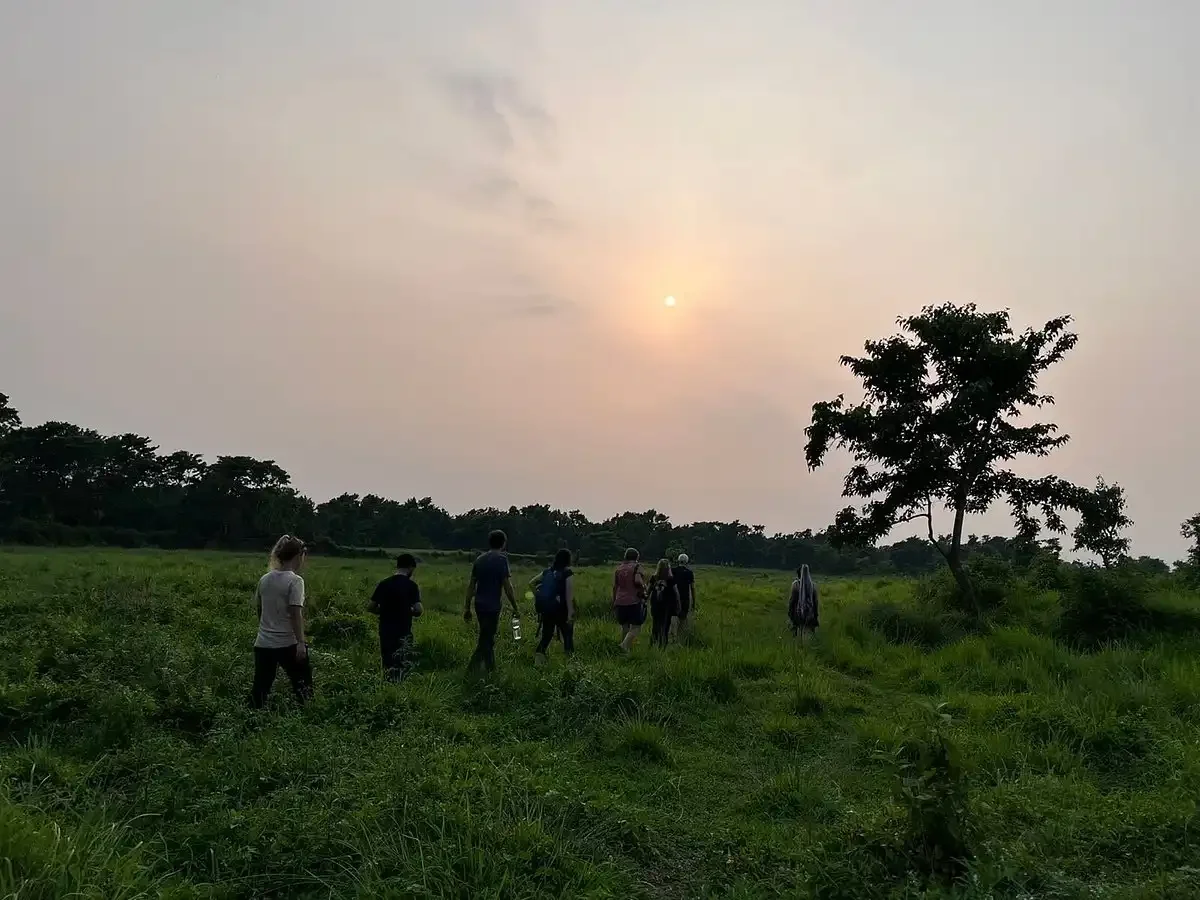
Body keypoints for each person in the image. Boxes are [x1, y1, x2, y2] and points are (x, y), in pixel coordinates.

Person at [250, 534, 314, 708]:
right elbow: (295, 614)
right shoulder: (295, 580)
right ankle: (309, 720)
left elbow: (260, 610)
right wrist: (301, 643)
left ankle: (249, 723)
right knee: (304, 689)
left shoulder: (265, 579)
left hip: (263, 643)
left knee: (260, 690)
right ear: (298, 556)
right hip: (288, 644)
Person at [464, 529, 520, 673]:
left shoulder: (479, 559)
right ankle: (472, 669)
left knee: (487, 636)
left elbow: (471, 586)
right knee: (487, 638)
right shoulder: (502, 559)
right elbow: (507, 586)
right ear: (503, 543)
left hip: (479, 605)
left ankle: (490, 669)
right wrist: (515, 606)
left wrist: (467, 607)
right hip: (493, 606)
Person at [368, 553, 423, 681]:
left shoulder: (384, 583)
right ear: (411, 567)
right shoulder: (411, 586)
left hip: (385, 630)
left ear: (397, 566)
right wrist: (407, 611)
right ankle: (400, 689)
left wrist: (385, 611)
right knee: (402, 662)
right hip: (403, 630)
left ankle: (387, 686)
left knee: (387, 662)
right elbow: (419, 610)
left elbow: (370, 607)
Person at [530, 548, 576, 664]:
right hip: (562, 610)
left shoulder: (547, 572)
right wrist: (570, 613)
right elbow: (569, 595)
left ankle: (538, 661)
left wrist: (539, 595)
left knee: (546, 636)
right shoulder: (567, 573)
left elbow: (531, 583)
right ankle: (569, 664)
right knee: (567, 636)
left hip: (548, 609)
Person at [612, 548, 646, 652]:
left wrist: (614, 600)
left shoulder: (619, 568)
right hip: (633, 600)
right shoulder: (637, 567)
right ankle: (624, 645)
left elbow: (615, 587)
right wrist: (645, 588)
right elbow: (638, 581)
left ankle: (625, 651)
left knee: (625, 626)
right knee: (636, 626)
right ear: (637, 557)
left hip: (619, 600)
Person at [647, 558, 679, 648]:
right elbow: (676, 593)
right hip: (667, 606)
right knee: (665, 626)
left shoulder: (654, 578)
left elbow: (648, 591)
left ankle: (652, 644)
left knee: (655, 624)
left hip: (655, 604)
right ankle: (663, 646)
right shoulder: (671, 579)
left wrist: (645, 600)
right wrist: (677, 605)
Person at [789, 564, 820, 639]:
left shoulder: (795, 585)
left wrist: (790, 612)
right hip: (810, 613)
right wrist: (816, 615)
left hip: (797, 614)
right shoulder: (812, 585)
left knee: (797, 632)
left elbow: (792, 600)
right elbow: (815, 601)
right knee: (809, 634)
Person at [672, 553, 696, 636]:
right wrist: (694, 601)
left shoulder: (673, 570)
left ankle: (672, 634)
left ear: (678, 560)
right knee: (683, 617)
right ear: (687, 561)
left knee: (674, 616)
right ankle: (680, 636)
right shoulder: (689, 573)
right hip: (685, 598)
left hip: (674, 597)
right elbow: (692, 588)